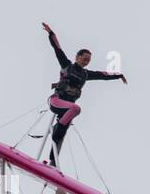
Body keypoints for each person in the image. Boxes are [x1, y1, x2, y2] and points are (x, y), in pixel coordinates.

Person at [40, 22, 126, 166]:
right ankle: (56, 129)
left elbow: (103, 75)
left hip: (66, 110)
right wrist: (51, 33)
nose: (86, 62)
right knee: (75, 109)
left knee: (61, 134)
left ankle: (52, 161)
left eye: (89, 60)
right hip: (56, 101)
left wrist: (119, 75)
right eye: (84, 58)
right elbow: (57, 48)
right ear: (77, 57)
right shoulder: (67, 66)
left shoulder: (86, 74)